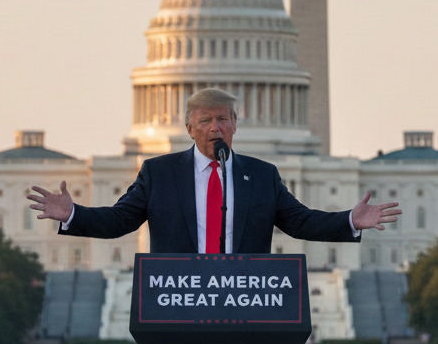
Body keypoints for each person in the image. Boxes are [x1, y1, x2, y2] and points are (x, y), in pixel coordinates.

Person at [27, 87, 401, 254]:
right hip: (179, 296)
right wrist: (73, 214)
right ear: (189, 129)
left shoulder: (262, 175)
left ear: (235, 125)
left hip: (245, 296)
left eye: (222, 119)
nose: (214, 128)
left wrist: (349, 220)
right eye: (205, 121)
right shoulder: (159, 173)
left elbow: (300, 222)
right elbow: (120, 220)